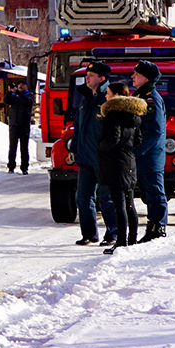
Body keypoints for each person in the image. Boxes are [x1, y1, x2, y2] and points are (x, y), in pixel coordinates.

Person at [66, 61, 113, 246]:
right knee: (83, 198)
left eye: (91, 75)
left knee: (108, 198)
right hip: (85, 157)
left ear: (101, 79)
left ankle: (113, 233)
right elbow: (78, 128)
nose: (87, 77)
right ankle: (89, 234)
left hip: (102, 158)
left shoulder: (108, 99)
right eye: (87, 74)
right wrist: (74, 148)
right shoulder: (85, 99)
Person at [96, 82, 146, 252]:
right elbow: (139, 140)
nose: (106, 96)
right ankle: (132, 239)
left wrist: (101, 147)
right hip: (129, 160)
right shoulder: (135, 115)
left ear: (116, 95)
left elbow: (114, 137)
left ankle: (122, 242)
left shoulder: (112, 115)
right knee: (129, 202)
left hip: (114, 162)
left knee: (119, 204)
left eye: (108, 93)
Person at [131, 61, 169, 242]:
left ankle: (157, 227)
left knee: (155, 192)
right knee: (147, 192)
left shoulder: (151, 98)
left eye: (136, 74)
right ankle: (152, 226)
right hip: (143, 155)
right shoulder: (140, 96)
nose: (132, 77)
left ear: (145, 78)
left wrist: (137, 151)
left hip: (150, 155)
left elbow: (154, 131)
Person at [4, 76, 36, 174]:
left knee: (24, 148)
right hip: (14, 125)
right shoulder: (14, 96)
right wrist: (9, 92)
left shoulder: (29, 95)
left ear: (26, 86)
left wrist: (18, 92)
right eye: (19, 86)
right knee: (12, 147)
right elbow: (6, 101)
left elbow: (27, 102)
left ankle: (24, 168)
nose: (21, 87)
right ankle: (11, 167)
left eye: (22, 85)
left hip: (24, 125)